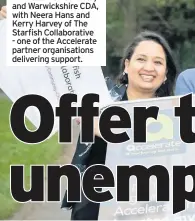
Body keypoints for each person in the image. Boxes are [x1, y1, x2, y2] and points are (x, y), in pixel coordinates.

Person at [60, 31, 179, 220]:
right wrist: (12, 27)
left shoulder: (174, 115)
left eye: (158, 62)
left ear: (165, 74)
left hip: (146, 211)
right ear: (127, 65)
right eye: (141, 59)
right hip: (93, 208)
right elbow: (53, 73)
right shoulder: (100, 99)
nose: (149, 67)